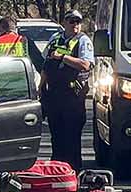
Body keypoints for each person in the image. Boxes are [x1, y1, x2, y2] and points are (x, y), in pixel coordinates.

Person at [39, 10, 94, 171]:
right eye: (72, 21)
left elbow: (86, 64)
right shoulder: (55, 39)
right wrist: (41, 86)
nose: (75, 24)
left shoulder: (83, 41)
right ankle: (57, 174)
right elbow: (46, 65)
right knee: (56, 137)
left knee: (72, 139)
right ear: (64, 22)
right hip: (54, 95)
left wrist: (63, 57)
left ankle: (73, 173)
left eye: (78, 21)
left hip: (73, 97)